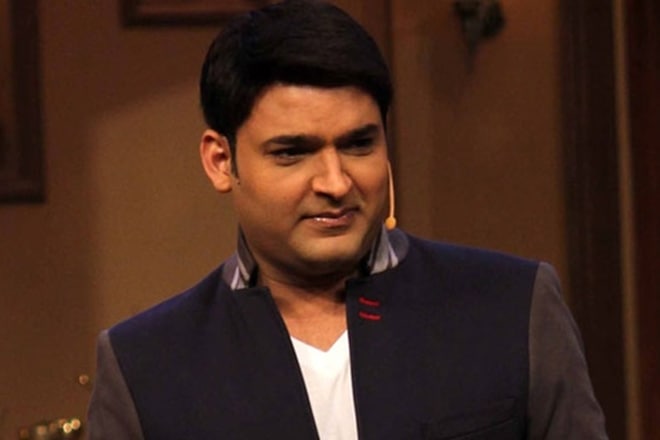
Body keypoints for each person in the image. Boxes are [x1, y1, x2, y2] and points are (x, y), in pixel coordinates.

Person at [86, 1, 608, 438]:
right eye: (292, 153)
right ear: (221, 162)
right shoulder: (145, 367)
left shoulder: (512, 307)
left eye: (359, 144)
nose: (336, 183)